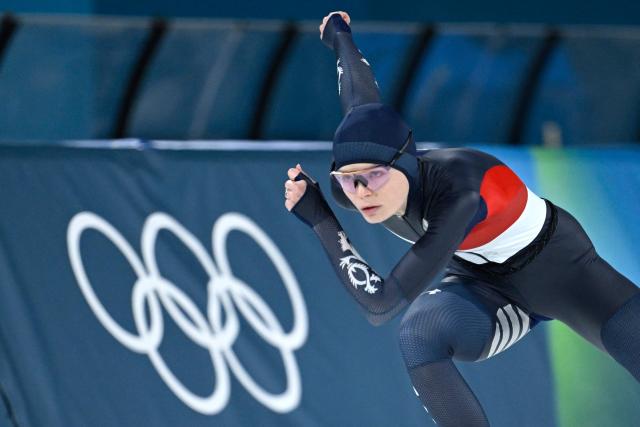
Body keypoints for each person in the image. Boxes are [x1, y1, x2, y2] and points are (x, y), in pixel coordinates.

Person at [283, 11, 640, 427]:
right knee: (418, 336)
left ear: (406, 162)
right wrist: (339, 36)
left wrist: (321, 219)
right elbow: (361, 99)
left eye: (375, 176)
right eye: (346, 181)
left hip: (564, 270)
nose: (362, 193)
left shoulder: (459, 196)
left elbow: (380, 304)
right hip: (484, 285)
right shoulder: (366, 175)